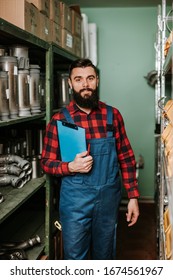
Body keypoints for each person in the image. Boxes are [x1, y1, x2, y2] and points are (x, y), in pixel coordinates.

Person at [41, 58, 140, 260]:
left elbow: (127, 158)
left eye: (90, 78)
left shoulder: (113, 115)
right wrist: (70, 166)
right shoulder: (59, 120)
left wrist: (133, 197)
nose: (85, 84)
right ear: (70, 83)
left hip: (108, 200)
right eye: (78, 79)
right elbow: (46, 162)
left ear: (97, 80)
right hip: (75, 202)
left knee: (105, 255)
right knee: (76, 257)